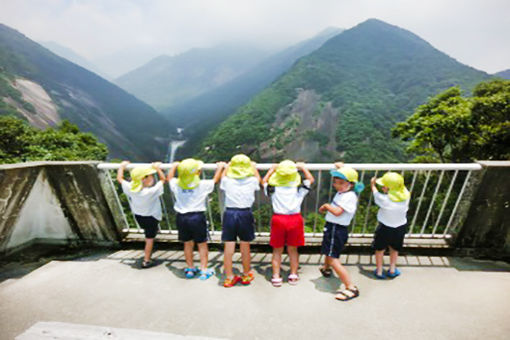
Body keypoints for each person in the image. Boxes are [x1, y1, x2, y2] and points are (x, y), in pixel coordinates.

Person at [167, 158, 225, 280]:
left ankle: (190, 268)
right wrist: (220, 167)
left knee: (187, 244)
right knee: (202, 244)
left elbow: (169, 178)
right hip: (197, 218)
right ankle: (204, 270)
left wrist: (174, 166)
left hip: (181, 218)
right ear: (197, 173)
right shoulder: (202, 185)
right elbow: (215, 180)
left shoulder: (176, 184)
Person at [263, 160, 314, 287]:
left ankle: (276, 276)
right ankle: (293, 274)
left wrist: (271, 170)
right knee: (293, 249)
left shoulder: (273, 188)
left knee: (277, 250)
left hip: (278, 219)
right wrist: (303, 168)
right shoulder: (298, 188)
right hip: (295, 220)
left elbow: (263, 181)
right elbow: (310, 180)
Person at [318, 162, 364, 301]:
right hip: (333, 227)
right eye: (335, 182)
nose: (337, 185)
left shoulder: (348, 196)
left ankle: (350, 287)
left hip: (337, 229)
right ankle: (326, 269)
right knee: (328, 250)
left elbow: (337, 212)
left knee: (333, 258)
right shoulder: (344, 191)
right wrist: (340, 167)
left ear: (350, 184)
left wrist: (326, 206)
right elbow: (347, 177)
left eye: (340, 183)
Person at [219, 154, 262, 287]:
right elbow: (258, 179)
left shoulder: (228, 181)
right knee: (245, 246)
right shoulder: (251, 180)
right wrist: (254, 167)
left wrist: (226, 167)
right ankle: (246, 274)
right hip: (245, 213)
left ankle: (229, 276)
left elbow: (222, 178)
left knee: (229, 247)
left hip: (230, 213)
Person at [117, 160, 166, 268]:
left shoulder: (130, 188)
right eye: (151, 176)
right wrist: (158, 168)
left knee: (148, 233)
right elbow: (163, 179)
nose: (153, 178)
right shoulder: (151, 192)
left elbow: (120, 179)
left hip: (139, 216)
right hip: (152, 218)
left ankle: (151, 242)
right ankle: (146, 260)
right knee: (149, 238)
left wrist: (122, 166)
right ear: (144, 179)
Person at [370, 172, 410, 279]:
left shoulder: (384, 200)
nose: (382, 187)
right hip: (400, 228)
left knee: (380, 249)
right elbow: (402, 189)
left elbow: (375, 193)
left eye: (384, 186)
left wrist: (373, 185)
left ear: (388, 188)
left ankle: (379, 271)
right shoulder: (406, 197)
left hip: (385, 228)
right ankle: (392, 270)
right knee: (395, 249)